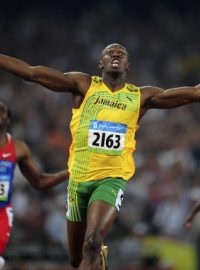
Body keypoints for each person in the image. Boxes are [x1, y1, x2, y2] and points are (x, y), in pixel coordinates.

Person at [0, 43, 199, 270]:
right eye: (109, 52)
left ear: (128, 65)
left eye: (121, 53)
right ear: (100, 64)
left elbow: (193, 93)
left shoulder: (140, 96)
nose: (116, 54)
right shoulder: (83, 86)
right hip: (78, 181)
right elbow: (31, 72)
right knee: (76, 259)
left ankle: (97, 252)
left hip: (111, 179)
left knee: (92, 242)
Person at [0, 101, 68, 269]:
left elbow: (39, 181)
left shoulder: (18, 148)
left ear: (7, 119)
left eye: (1, 111)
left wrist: (70, 172)